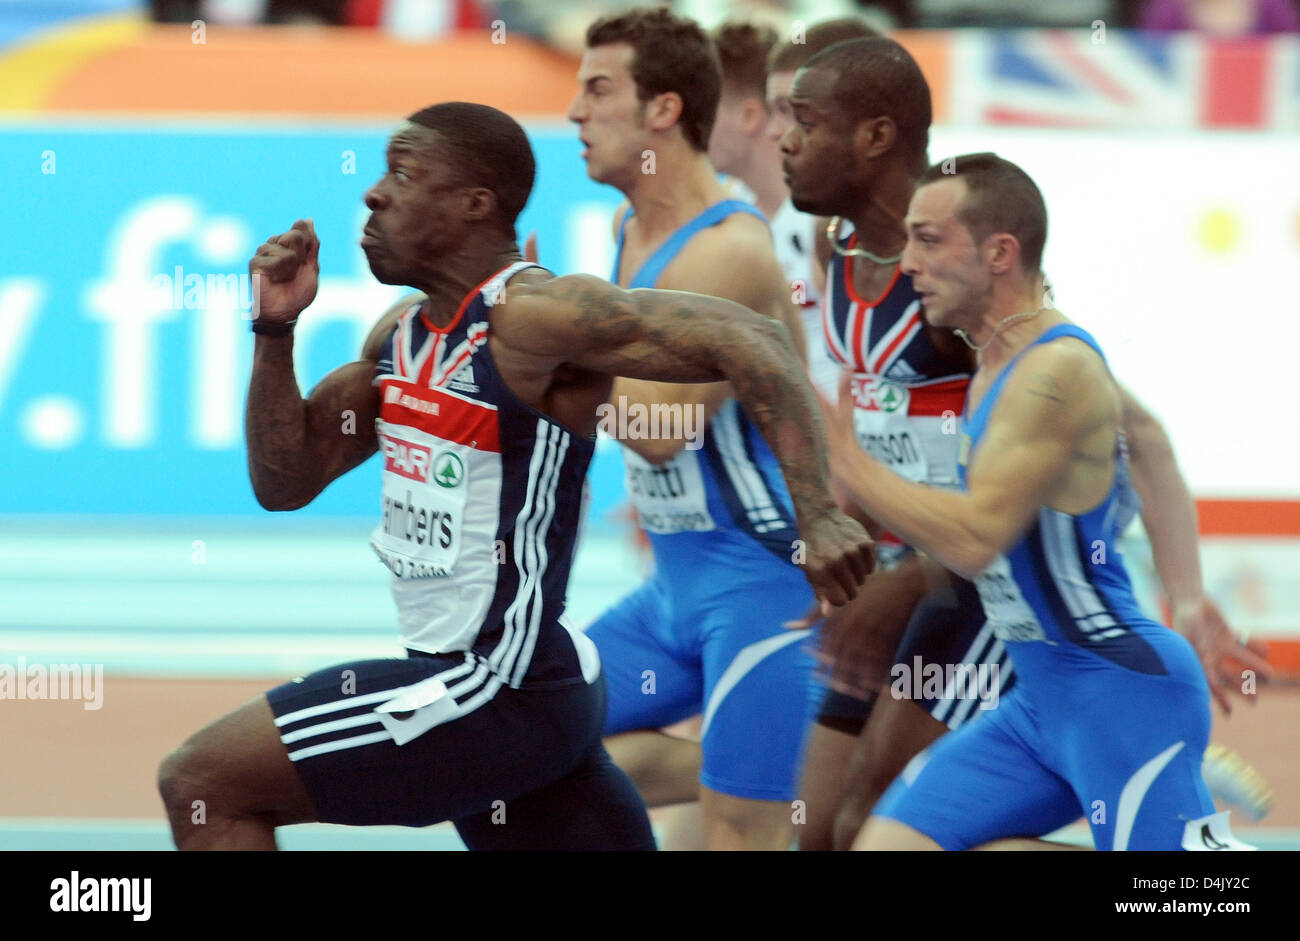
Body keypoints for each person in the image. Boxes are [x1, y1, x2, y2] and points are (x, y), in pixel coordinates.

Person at [154, 101, 873, 851]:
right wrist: (274, 330)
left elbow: (750, 337)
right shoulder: (400, 337)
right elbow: (286, 482)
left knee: (203, 783)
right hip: (501, 692)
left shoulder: (531, 317)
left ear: (474, 204)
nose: (374, 194)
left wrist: (818, 514)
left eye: (402, 173)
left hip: (500, 687)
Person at [781, 36, 1273, 850]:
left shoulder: (1049, 364)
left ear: (998, 254)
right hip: (1037, 692)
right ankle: (1174, 816)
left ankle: (1187, 832)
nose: (910, 265)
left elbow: (979, 534)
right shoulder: (989, 341)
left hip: (1106, 680)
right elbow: (1140, 436)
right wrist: (1189, 597)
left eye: (929, 244)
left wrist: (852, 462)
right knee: (861, 838)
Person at [566, 7, 846, 850]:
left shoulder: (731, 250)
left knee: (733, 838)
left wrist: (546, 349)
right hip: (676, 586)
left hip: (762, 580)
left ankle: (781, 771)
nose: (575, 111)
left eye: (597, 89)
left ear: (663, 111)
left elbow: (656, 426)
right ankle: (810, 764)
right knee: (520, 736)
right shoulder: (629, 227)